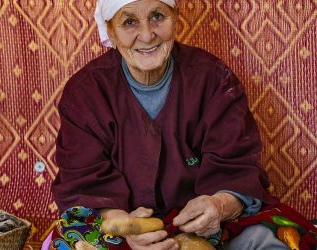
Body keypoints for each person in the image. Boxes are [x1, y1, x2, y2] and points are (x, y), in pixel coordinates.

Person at [48, 0, 316, 249]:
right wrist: (125, 227)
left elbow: (238, 163)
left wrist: (219, 205)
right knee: (67, 241)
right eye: (129, 22)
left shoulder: (212, 78)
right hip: (123, 226)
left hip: (207, 223)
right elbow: (82, 182)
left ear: (175, 19)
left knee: (284, 237)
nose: (147, 35)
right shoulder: (85, 92)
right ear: (111, 32)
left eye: (157, 17)